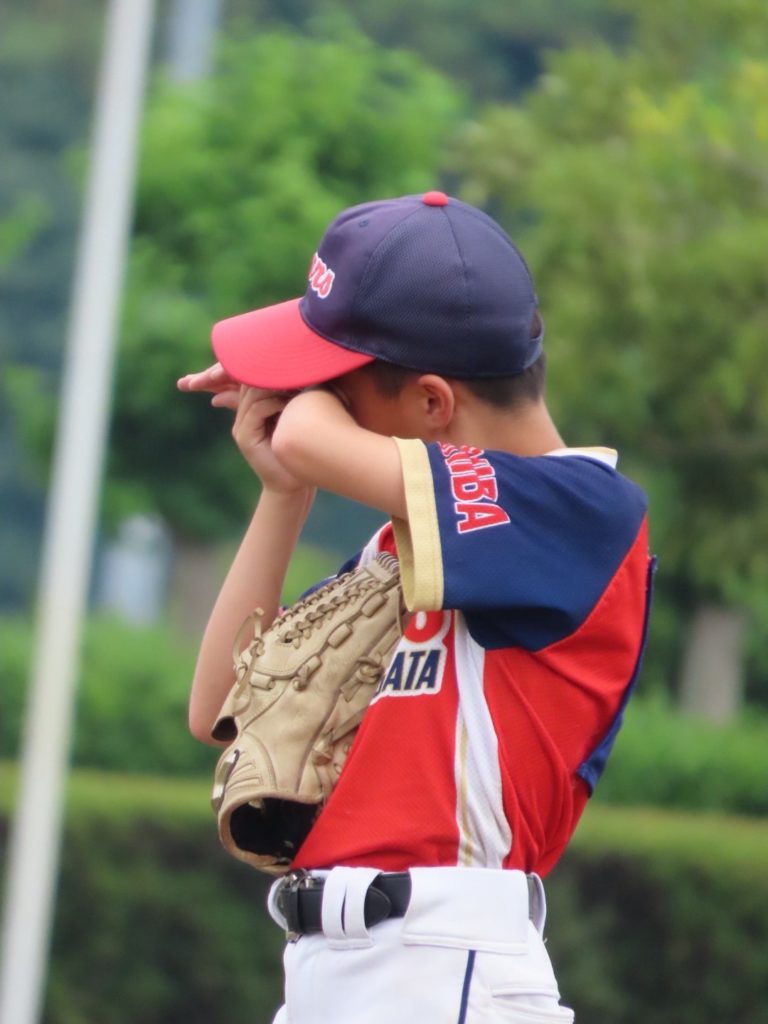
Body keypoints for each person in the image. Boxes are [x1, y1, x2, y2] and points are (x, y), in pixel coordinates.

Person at [177, 191, 654, 1024]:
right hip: (338, 968)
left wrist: (298, 406)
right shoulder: (407, 543)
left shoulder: (584, 510)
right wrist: (283, 497)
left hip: (444, 962)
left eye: (338, 383)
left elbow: (308, 437)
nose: (317, 397)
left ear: (433, 404)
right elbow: (219, 705)